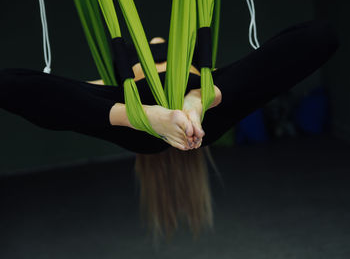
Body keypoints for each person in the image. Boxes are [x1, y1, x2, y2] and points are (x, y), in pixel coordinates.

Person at [0, 19, 340, 243]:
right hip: (202, 108)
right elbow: (318, 37)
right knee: (321, 38)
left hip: (133, 114)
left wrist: (134, 113)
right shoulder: (212, 78)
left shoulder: (112, 85)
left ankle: (142, 117)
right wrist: (203, 95)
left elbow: (20, 88)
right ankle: (177, 107)